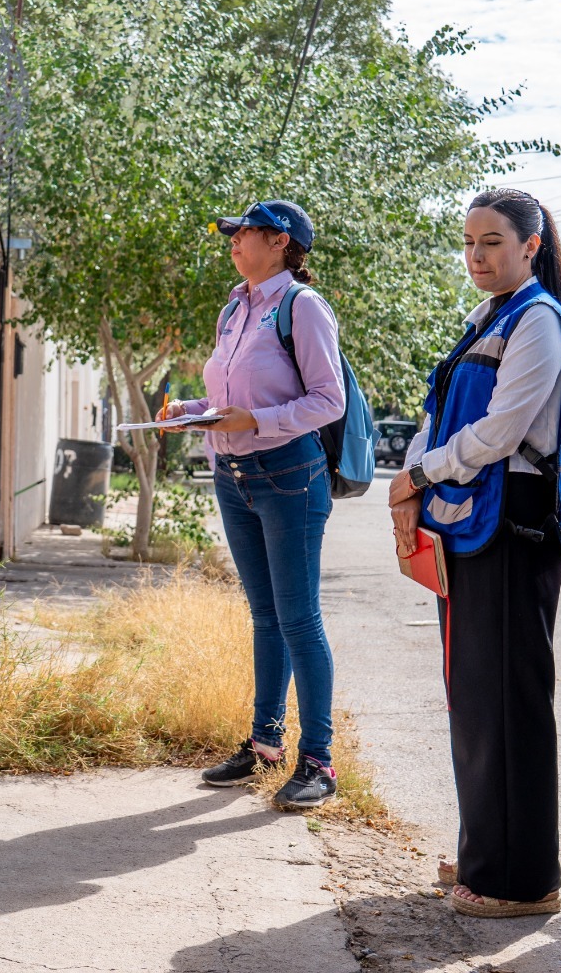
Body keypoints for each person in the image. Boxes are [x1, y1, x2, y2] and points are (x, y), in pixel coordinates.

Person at [388, 187, 561, 919]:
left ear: (530, 246)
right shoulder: (486, 319)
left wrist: (420, 475)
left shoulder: (538, 320)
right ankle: (483, 853)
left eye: (492, 242)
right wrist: (414, 477)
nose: (476, 255)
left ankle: (519, 882)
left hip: (514, 528)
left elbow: (501, 432)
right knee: (473, 698)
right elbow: (436, 415)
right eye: (468, 243)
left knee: (507, 703)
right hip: (473, 524)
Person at [159, 200, 346, 809]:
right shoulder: (235, 308)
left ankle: (318, 761)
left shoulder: (302, 306)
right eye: (232, 234)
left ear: (280, 241)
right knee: (265, 616)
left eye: (244, 233)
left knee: (298, 620)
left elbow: (329, 401)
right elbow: (230, 399)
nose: (234, 242)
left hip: (289, 476)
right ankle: (265, 745)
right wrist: (189, 412)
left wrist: (257, 421)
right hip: (234, 476)